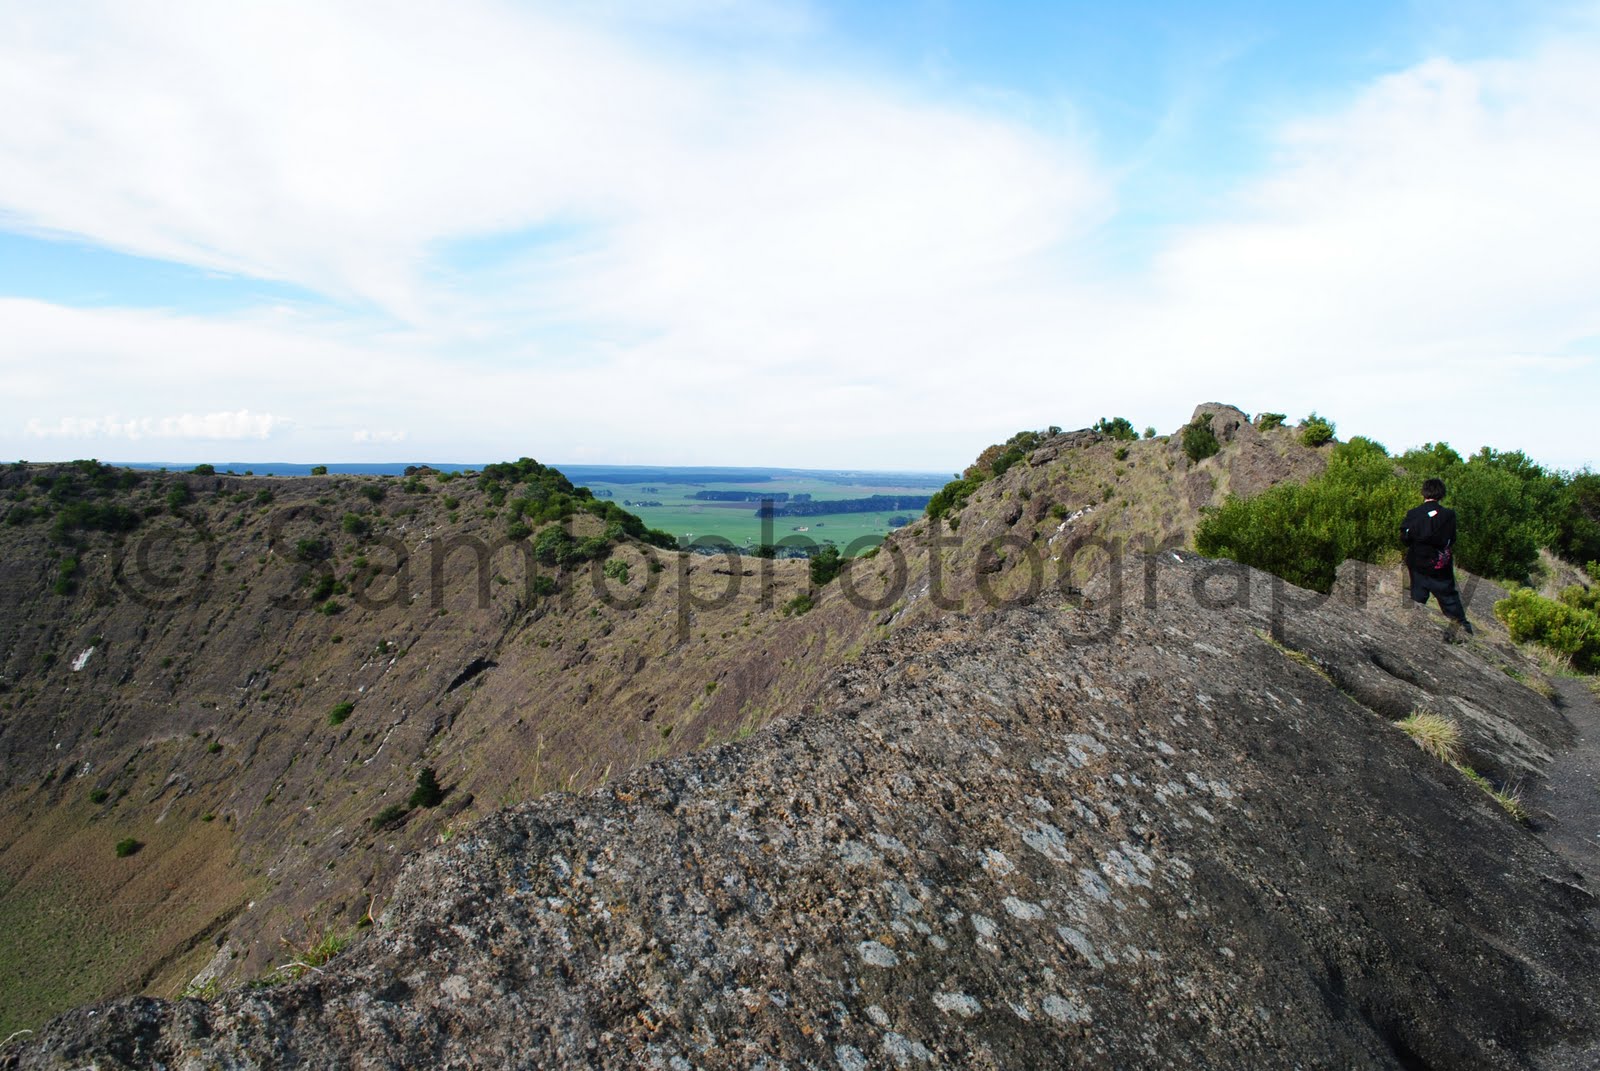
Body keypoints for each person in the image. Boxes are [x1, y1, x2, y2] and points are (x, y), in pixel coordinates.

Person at [1400, 478, 1473, 633]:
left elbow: (1405, 538)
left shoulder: (1413, 513)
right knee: (1449, 600)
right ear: (1442, 494)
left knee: (1417, 596)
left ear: (1423, 492)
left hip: (1417, 561)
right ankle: (1464, 630)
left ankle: (1411, 629)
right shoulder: (1448, 515)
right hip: (1439, 564)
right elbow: (1451, 539)